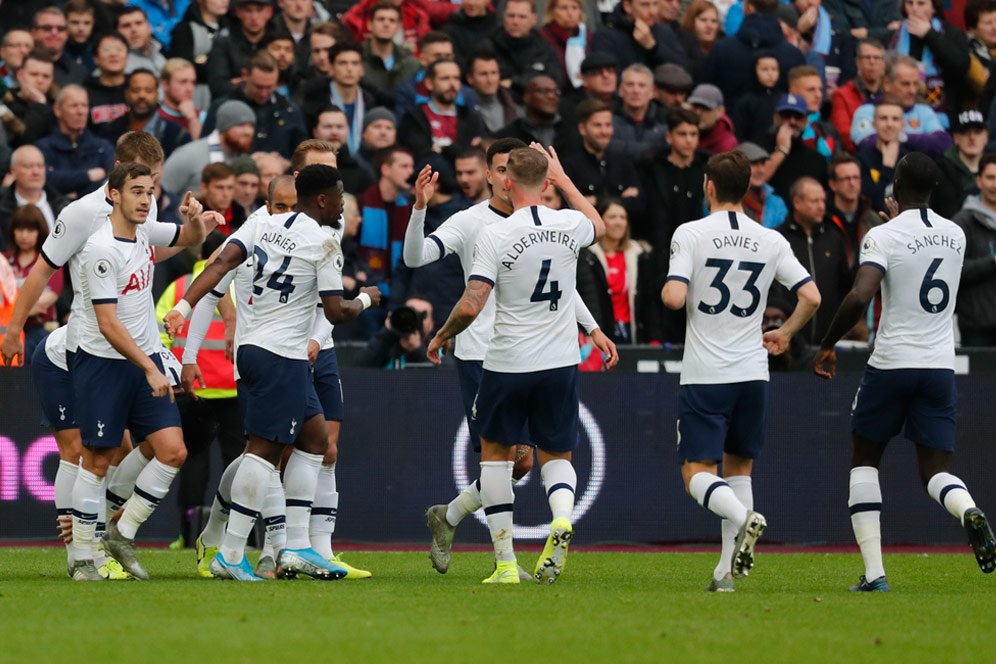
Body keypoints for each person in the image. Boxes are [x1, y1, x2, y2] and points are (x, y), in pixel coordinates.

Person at [164, 164, 381, 581]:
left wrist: (183, 307)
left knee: (315, 439)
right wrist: (367, 299)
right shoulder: (324, 241)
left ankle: (296, 545)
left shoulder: (260, 225)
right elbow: (336, 311)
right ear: (322, 199)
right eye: (338, 196)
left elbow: (219, 264)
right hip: (280, 354)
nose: (342, 204)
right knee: (262, 453)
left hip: (256, 351)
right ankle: (229, 552)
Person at [412, 138, 610, 576]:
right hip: (555, 361)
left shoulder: (497, 234)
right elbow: (598, 225)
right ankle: (558, 520)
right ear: (545, 180)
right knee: (553, 454)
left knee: (501, 456)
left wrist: (440, 334)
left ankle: (487, 550)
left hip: (506, 360)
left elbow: (472, 301)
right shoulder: (566, 225)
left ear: (510, 179)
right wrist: (564, 179)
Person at [814, 152, 996, 591]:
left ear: (894, 186)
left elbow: (860, 296)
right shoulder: (955, 234)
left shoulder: (883, 235)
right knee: (935, 470)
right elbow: (923, 249)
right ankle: (968, 508)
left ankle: (875, 573)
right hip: (939, 364)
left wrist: (826, 343)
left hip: (892, 362)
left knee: (864, 460)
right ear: (934, 189)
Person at [662, 149, 820, 592]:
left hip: (706, 373)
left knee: (696, 474)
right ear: (747, 189)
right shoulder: (770, 239)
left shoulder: (691, 233)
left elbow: (675, 298)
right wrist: (785, 333)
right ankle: (725, 572)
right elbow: (811, 296)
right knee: (739, 469)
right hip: (753, 373)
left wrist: (669, 288)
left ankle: (743, 517)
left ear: (708, 186)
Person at [69, 162, 202, 581]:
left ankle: (121, 531)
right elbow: (108, 323)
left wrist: (195, 221)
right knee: (97, 459)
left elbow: (192, 240)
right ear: (114, 195)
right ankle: (82, 557)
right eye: (137, 191)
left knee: (172, 451)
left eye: (150, 191)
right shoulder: (100, 249)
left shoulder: (145, 231)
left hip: (144, 362)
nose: (146, 199)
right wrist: (150, 366)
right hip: (103, 363)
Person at [777, 177, 853, 345]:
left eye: (823, 201)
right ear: (797, 202)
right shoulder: (778, 240)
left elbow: (844, 286)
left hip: (828, 343)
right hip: (789, 344)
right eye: (814, 201)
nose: (821, 207)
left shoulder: (834, 238)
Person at [576, 198, 658, 344]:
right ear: (600, 221)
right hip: (601, 332)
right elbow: (587, 298)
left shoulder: (639, 255)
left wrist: (654, 337)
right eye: (612, 217)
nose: (618, 222)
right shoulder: (588, 257)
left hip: (632, 331)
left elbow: (649, 300)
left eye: (623, 217)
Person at [203, 51, 308, 156]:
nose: (263, 93)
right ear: (245, 75)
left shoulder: (289, 110)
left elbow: (302, 156)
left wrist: (285, 164)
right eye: (258, 87)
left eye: (269, 87)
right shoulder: (222, 108)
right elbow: (205, 150)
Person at [701, 0, 804, 102]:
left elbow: (705, 96)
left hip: (729, 116)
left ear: (749, 7)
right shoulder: (794, 55)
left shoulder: (722, 49)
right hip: (783, 117)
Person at [889, 0, 970, 129]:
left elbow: (961, 66)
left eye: (921, 3)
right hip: (897, 114)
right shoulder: (895, 33)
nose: (914, 9)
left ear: (934, 8)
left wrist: (930, 35)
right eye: (910, 3)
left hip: (942, 114)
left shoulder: (951, 33)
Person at [851, 56, 951, 156]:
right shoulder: (867, 111)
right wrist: (920, 142)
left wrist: (901, 137)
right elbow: (870, 144)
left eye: (915, 84)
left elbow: (943, 143)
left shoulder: (923, 111)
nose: (912, 91)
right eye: (905, 84)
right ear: (887, 84)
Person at [398, 59, 488, 163]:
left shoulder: (472, 116)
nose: (452, 84)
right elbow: (422, 157)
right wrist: (462, 150)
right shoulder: (413, 118)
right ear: (429, 83)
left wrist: (443, 149)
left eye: (456, 78)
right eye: (445, 78)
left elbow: (482, 154)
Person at [161, 99, 257, 197]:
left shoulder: (244, 161)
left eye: (251, 126)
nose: (248, 132)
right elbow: (161, 193)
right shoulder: (188, 155)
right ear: (224, 126)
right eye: (241, 125)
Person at [36, 85, 115, 200]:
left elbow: (112, 184)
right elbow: (45, 180)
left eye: (84, 105)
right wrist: (88, 176)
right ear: (58, 110)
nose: (81, 111)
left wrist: (78, 195)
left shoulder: (102, 147)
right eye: (74, 106)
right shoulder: (43, 148)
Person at [5, 205, 61, 360]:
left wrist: (11, 307)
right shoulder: (4, 261)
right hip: (5, 329)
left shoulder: (50, 261)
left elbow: (47, 299)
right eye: (19, 229)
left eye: (30, 230)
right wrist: (29, 304)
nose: (24, 235)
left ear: (40, 231)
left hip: (38, 330)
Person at [953, 152, 996, 347]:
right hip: (977, 328)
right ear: (978, 181)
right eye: (990, 178)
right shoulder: (963, 221)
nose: (995, 184)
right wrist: (992, 262)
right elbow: (955, 270)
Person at [0, 145, 68, 251]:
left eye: (40, 166)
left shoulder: (64, 206)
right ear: (13, 171)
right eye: (28, 166)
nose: (36, 172)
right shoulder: (2, 208)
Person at [591, 0, 689, 71]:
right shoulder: (605, 36)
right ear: (627, 6)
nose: (652, 12)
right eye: (645, 5)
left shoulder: (664, 31)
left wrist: (653, 48)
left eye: (655, 4)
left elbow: (683, 69)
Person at [491, 0, 564, 96]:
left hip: (537, 103)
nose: (515, 22)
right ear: (503, 17)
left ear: (533, 19)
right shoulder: (490, 46)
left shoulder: (544, 48)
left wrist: (514, 83)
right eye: (511, 16)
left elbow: (555, 81)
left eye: (522, 17)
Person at [206, 0, 275, 99]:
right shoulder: (223, 44)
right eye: (248, 11)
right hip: (233, 105)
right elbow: (218, 87)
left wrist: (241, 82)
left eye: (259, 11)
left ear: (269, 12)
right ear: (238, 12)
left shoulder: (277, 43)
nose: (254, 17)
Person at [493, 74, 574, 155]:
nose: (551, 96)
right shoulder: (507, 137)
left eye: (556, 92)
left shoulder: (572, 133)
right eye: (543, 91)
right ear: (526, 96)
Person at [826, 152, 882, 266]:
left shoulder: (872, 219)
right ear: (833, 184)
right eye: (846, 179)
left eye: (856, 178)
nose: (852, 183)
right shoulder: (822, 219)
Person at [831, 39, 886, 152]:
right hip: (859, 155)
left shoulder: (892, 93)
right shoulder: (842, 94)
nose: (872, 62)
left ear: (884, 63)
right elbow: (844, 134)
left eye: (876, 58)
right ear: (858, 62)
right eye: (867, 57)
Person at [361, 1, 421, 100]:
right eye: (381, 19)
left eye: (392, 20)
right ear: (369, 24)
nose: (386, 24)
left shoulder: (411, 64)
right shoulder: (356, 60)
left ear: (398, 27)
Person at [146, 58, 204, 160]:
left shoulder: (202, 116)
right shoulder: (153, 116)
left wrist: (192, 119)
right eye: (183, 82)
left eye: (193, 82)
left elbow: (203, 154)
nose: (189, 88)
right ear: (165, 84)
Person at [934, 110, 987, 218]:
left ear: (986, 137)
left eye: (977, 132)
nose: (972, 137)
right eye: (965, 132)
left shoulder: (993, 165)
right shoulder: (940, 169)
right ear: (956, 138)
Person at [857, 98, 907, 213]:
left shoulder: (911, 160)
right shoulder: (861, 160)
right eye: (883, 118)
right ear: (874, 124)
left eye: (895, 119)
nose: (889, 124)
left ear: (902, 125)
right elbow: (874, 203)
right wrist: (888, 167)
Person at [612, 64, 667, 157]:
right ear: (620, 90)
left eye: (642, 85)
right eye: (630, 84)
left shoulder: (666, 122)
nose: (636, 90)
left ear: (652, 92)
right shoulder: (607, 122)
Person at [538, 0, 590, 94]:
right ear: (552, 12)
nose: (570, 13)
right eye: (563, 8)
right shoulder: (543, 37)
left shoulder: (587, 36)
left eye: (574, 8)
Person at [83, 33, 129, 138]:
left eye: (119, 49)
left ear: (127, 57)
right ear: (96, 58)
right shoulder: (84, 92)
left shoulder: (137, 87)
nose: (113, 54)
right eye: (106, 49)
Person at [466, 50, 521, 134]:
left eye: (494, 73)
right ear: (470, 78)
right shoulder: (462, 110)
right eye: (483, 74)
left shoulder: (515, 108)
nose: (490, 80)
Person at [730, 53, 781, 145]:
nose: (770, 74)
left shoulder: (782, 99)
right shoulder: (745, 102)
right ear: (754, 71)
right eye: (764, 69)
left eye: (774, 69)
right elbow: (739, 134)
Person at [31, 6, 89, 87]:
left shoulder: (80, 73)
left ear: (66, 34)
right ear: (34, 33)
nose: (54, 33)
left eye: (60, 29)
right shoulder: (19, 64)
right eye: (47, 28)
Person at [688, 83, 737, 156]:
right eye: (695, 106)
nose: (698, 113)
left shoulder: (726, 145)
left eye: (706, 108)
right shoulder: (679, 129)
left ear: (720, 111)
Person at [118, 5, 167, 76]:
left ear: (149, 27)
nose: (134, 29)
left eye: (139, 23)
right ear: (117, 32)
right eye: (126, 25)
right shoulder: (115, 65)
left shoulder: (159, 55)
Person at [679, 0, 721, 81]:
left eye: (714, 21)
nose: (709, 26)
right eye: (703, 20)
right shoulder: (682, 48)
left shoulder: (722, 49)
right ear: (692, 22)